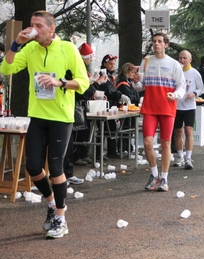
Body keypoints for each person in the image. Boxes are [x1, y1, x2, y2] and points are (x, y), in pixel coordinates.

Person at [0, 10, 89, 238]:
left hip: (61, 116)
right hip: (38, 115)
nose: (33, 29)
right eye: (31, 25)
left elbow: (83, 82)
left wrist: (59, 82)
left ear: (51, 29)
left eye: (39, 25)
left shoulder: (67, 48)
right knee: (32, 167)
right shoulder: (30, 48)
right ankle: (51, 203)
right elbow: (6, 68)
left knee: (56, 167)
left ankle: (61, 217)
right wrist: (15, 44)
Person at [133, 32, 186, 192]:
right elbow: (140, 86)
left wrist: (174, 95)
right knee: (148, 143)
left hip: (167, 108)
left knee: (165, 143)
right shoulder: (146, 61)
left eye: (160, 41)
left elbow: (182, 86)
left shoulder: (174, 64)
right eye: (154, 41)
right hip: (150, 107)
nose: (156, 44)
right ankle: (154, 174)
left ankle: (164, 178)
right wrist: (135, 82)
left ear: (166, 45)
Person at [63, 43, 97, 185]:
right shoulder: (75, 68)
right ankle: (66, 173)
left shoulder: (71, 67)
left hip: (65, 109)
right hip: (66, 109)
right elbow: (83, 89)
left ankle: (64, 173)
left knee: (66, 143)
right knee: (67, 143)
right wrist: (92, 86)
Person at [173, 50, 204, 169]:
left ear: (190, 60)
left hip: (189, 106)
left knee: (188, 131)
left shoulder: (194, 73)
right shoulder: (175, 72)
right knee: (178, 132)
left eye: (185, 58)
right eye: (180, 58)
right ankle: (180, 156)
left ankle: (188, 158)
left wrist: (194, 93)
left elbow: (202, 89)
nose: (182, 60)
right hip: (177, 106)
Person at [97, 54, 129, 159]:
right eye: (110, 64)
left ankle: (111, 151)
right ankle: (98, 154)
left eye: (114, 64)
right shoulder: (102, 74)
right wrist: (119, 95)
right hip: (101, 105)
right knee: (102, 130)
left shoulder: (111, 76)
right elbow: (108, 89)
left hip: (109, 106)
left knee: (111, 128)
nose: (112, 66)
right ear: (104, 63)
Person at [115, 62, 140, 153]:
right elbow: (130, 96)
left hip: (130, 109)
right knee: (126, 128)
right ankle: (123, 146)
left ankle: (127, 146)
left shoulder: (129, 82)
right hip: (125, 109)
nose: (133, 75)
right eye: (132, 73)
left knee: (129, 128)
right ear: (127, 72)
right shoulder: (123, 83)